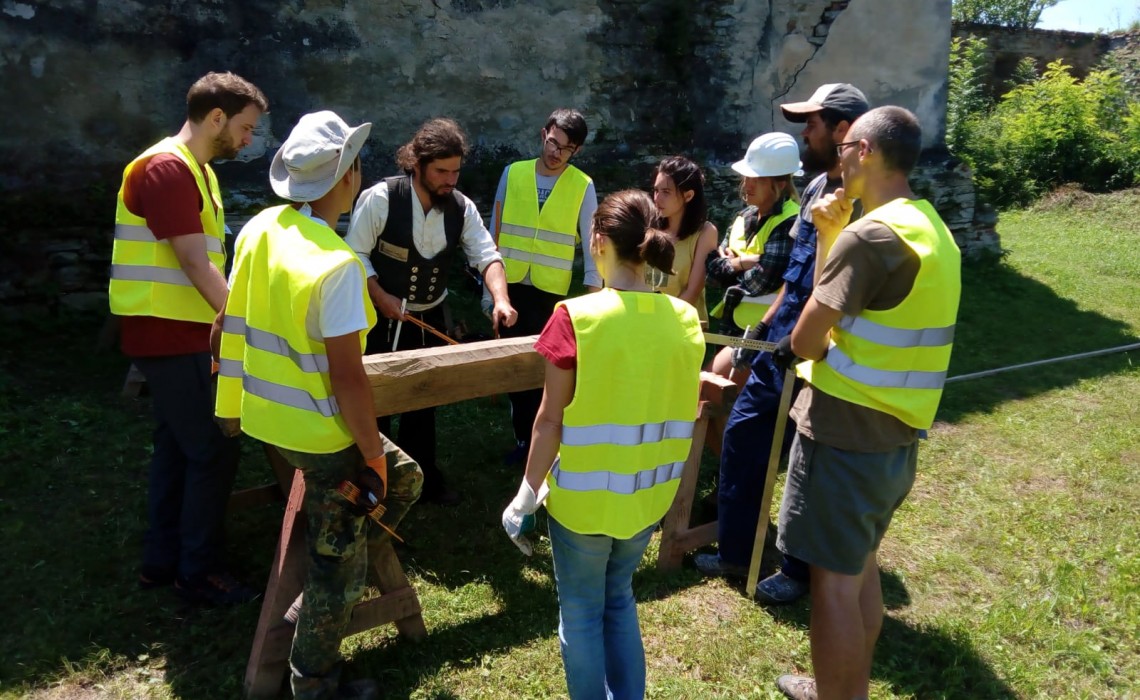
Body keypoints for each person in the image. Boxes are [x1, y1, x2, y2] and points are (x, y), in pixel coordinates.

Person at [214, 111, 424, 700]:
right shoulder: (336, 266)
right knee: (345, 553)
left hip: (267, 418)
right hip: (322, 435)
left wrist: (227, 403)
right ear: (348, 176)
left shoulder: (260, 227)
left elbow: (225, 320)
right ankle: (314, 680)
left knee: (406, 479)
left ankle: (332, 575)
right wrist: (370, 455)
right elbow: (349, 381)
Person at [773, 106, 961, 700]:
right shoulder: (929, 227)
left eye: (845, 147)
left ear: (867, 151)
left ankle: (836, 694)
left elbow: (807, 338)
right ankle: (844, 687)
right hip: (894, 435)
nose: (839, 159)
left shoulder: (870, 235)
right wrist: (833, 235)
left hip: (843, 432)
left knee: (831, 584)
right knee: (858, 568)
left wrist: (837, 238)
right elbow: (857, 308)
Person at [501, 190, 705, 700]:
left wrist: (525, 495)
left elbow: (549, 420)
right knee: (619, 599)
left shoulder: (575, 317)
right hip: (648, 497)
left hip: (583, 503)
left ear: (597, 241)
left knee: (581, 612)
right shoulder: (685, 319)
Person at [695, 83, 870, 608]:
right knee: (744, 435)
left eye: (811, 125)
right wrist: (763, 331)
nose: (803, 135)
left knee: (806, 457)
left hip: (826, 349)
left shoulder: (864, 201)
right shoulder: (816, 188)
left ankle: (797, 568)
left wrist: (805, 338)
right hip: (781, 339)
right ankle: (736, 551)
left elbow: (841, 287)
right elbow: (795, 280)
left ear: (843, 131)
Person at [108, 71, 266, 605]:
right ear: (216, 117)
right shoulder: (168, 169)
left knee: (178, 447)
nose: (249, 140)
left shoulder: (197, 171)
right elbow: (196, 263)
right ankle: (198, 572)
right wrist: (243, 327)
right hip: (171, 334)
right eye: (245, 127)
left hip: (180, 331)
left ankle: (163, 560)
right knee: (212, 449)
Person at [345, 118, 517, 505]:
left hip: (430, 316)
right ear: (417, 163)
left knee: (424, 400)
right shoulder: (380, 199)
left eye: (455, 171)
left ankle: (421, 481)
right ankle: (374, 480)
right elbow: (353, 254)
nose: (450, 180)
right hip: (377, 319)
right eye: (441, 171)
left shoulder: (461, 208)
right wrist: (379, 295)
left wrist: (501, 298)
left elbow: (487, 255)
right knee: (374, 399)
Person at [491, 109, 600, 466]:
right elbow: (494, 231)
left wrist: (594, 298)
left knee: (543, 371)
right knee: (512, 368)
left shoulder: (583, 185)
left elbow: (592, 245)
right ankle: (524, 439)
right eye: (553, 142)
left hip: (550, 293)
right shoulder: (513, 172)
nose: (556, 152)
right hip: (508, 287)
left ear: (577, 151)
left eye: (566, 149)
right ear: (543, 135)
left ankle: (544, 441)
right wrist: (488, 290)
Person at [706, 132, 802, 344]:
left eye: (758, 179)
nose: (748, 185)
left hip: (765, 333)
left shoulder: (790, 222)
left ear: (781, 183)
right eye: (747, 177)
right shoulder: (744, 215)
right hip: (732, 325)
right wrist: (741, 263)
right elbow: (711, 273)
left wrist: (728, 265)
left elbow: (760, 283)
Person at [647, 156, 718, 327]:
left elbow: (692, 292)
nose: (657, 198)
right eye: (656, 190)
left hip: (683, 327)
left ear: (688, 195)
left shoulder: (705, 233)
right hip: (646, 324)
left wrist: (662, 325)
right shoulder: (648, 227)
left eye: (666, 192)